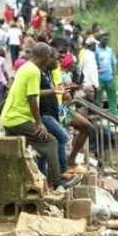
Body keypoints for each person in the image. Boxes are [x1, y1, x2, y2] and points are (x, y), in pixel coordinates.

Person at [0, 43, 78, 192]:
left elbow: (34, 92)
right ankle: (56, 181)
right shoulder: (34, 71)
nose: (49, 58)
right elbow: (32, 99)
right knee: (51, 142)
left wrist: (52, 91)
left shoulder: (26, 67)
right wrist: (39, 123)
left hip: (9, 116)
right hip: (18, 118)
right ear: (43, 56)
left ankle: (13, 184)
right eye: (49, 55)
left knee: (16, 151)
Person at [38, 48, 70, 178]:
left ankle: (44, 175)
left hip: (51, 113)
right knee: (62, 137)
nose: (58, 62)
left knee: (43, 148)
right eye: (56, 59)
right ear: (47, 58)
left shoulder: (48, 73)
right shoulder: (39, 73)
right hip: (44, 115)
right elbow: (33, 93)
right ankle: (62, 173)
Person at [95, 33, 118, 116]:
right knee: (98, 98)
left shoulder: (109, 50)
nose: (106, 41)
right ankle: (97, 115)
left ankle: (114, 115)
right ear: (100, 39)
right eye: (104, 39)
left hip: (109, 78)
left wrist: (114, 74)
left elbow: (113, 63)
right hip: (99, 78)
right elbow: (94, 63)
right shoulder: (96, 50)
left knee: (112, 97)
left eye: (107, 39)